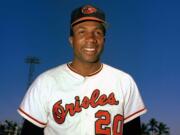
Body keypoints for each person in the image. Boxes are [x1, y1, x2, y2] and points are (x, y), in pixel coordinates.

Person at [18, 4, 147, 135]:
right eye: (82, 32)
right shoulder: (45, 82)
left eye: (97, 32)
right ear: (71, 40)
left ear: (104, 40)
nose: (91, 39)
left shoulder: (124, 82)